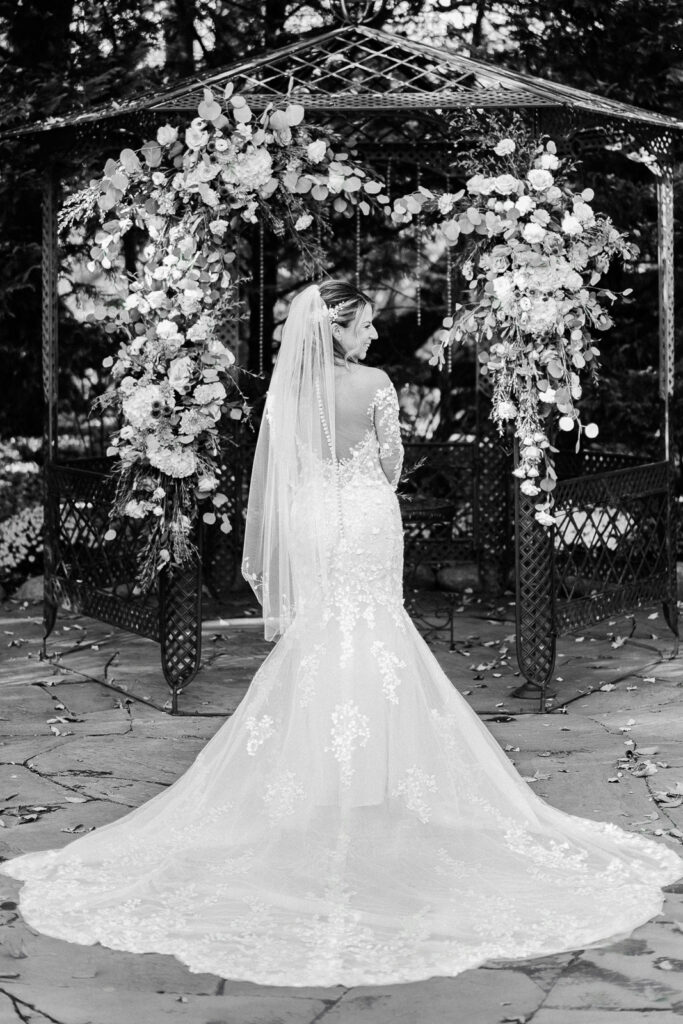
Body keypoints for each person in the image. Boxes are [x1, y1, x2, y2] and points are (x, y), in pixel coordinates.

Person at [1, 281, 681, 988]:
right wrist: (368, 468)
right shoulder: (375, 384)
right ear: (339, 328)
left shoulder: (288, 393)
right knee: (375, 633)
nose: (375, 337)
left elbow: (277, 473)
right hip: (362, 518)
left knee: (322, 635)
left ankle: (319, 776)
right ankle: (371, 777)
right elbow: (388, 464)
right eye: (365, 326)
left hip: (311, 520)